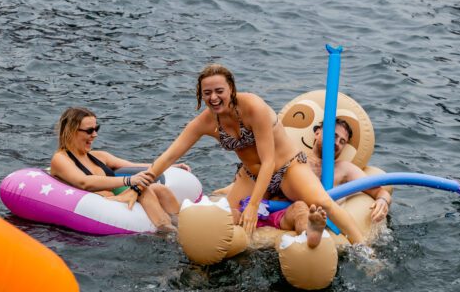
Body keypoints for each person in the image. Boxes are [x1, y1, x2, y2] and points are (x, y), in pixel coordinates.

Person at [129, 64, 366, 244]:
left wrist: (253, 206)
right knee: (223, 215)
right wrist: (140, 183)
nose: (213, 97)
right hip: (251, 175)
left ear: (231, 89)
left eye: (219, 91)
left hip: (287, 168)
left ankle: (365, 250)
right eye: (207, 92)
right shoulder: (205, 122)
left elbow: (269, 160)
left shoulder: (254, 107)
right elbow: (170, 156)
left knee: (324, 202)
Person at [227, 119, 391, 242]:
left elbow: (378, 189)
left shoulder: (343, 169)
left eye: (342, 142)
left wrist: (383, 199)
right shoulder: (294, 159)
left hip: (299, 214)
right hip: (269, 211)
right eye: (333, 136)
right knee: (231, 214)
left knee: (301, 209)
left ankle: (310, 238)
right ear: (318, 133)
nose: (337, 143)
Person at [50, 107, 190, 232]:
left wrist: (171, 167)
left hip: (116, 199)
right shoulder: (61, 159)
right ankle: (169, 232)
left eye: (96, 129)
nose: (95, 135)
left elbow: (133, 166)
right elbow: (84, 182)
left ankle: (185, 226)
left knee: (161, 189)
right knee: (143, 190)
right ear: (71, 131)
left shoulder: (98, 156)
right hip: (99, 206)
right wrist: (129, 181)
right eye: (89, 131)